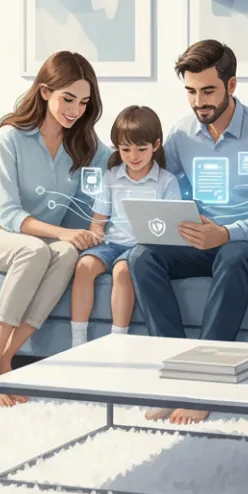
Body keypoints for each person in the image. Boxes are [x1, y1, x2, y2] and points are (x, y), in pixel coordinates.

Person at [128, 39, 248, 425]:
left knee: (233, 254)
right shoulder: (183, 133)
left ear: (231, 85)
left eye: (208, 90)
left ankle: (205, 385)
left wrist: (227, 232)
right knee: (143, 256)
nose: (198, 101)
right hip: (205, 242)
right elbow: (153, 177)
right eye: (190, 91)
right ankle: (176, 381)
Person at [0, 51, 108, 407]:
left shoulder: (84, 145)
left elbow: (124, 158)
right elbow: (8, 212)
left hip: (43, 241)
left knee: (66, 253)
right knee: (37, 248)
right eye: (68, 99)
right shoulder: (11, 138)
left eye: (84, 102)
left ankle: (5, 359)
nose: (75, 110)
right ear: (45, 92)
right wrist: (62, 232)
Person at [69, 105, 181, 346]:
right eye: (125, 149)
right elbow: (98, 221)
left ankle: (117, 340)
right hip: (111, 244)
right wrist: (95, 233)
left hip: (141, 249)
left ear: (156, 145)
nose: (133, 156)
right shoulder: (110, 178)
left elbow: (173, 225)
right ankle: (77, 339)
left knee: (123, 271)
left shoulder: (166, 182)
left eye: (141, 149)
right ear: (117, 148)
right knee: (84, 265)